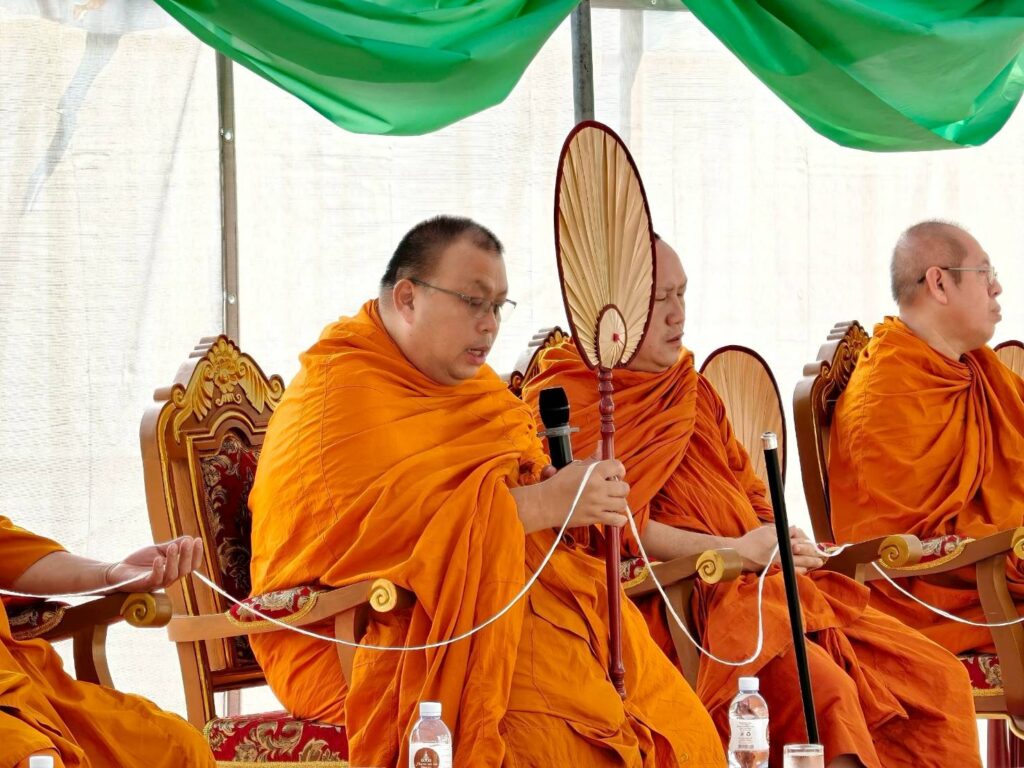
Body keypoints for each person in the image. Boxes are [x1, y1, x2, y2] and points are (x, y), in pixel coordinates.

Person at [247, 215, 725, 768]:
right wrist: (545, 503)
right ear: (408, 298)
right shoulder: (339, 399)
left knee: (675, 722)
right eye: (474, 302)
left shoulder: (473, 390)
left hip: (509, 603)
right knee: (550, 740)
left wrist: (559, 489)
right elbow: (387, 539)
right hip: (374, 638)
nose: (490, 325)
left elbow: (508, 488)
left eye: (498, 306)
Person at [522, 235, 981, 768]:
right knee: (825, 694)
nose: (678, 314)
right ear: (611, 311)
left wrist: (780, 539)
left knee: (937, 677)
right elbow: (608, 528)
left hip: (763, 585)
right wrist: (735, 551)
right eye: (660, 299)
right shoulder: (573, 396)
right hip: (676, 605)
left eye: (682, 294)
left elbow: (751, 492)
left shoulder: (690, 390)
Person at [829, 220, 1024, 654]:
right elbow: (901, 548)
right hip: (939, 602)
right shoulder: (886, 391)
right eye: (985, 272)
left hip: (994, 570)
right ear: (939, 283)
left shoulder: (976, 367)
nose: (997, 288)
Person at [0, 516, 213, 768]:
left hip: (23, 683)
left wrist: (112, 574)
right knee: (30, 756)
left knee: (177, 747)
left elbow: (11, 553)